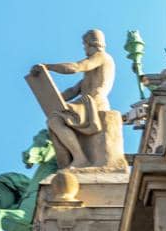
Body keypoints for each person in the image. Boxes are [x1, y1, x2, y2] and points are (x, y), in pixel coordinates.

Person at [31, 29, 119, 172]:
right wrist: (48, 94)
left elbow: (76, 67)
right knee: (54, 120)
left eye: (85, 44)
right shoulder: (89, 75)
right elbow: (72, 91)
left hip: (94, 103)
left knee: (55, 119)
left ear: (91, 43)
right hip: (86, 102)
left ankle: (80, 158)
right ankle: (77, 157)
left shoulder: (102, 57)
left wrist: (48, 67)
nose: (84, 48)